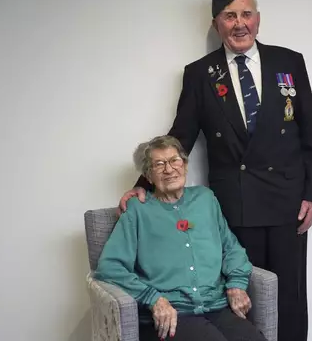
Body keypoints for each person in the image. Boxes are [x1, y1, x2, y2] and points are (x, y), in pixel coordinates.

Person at [118, 0, 312, 341]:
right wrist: (143, 183)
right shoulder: (200, 73)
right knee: (242, 296)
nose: (239, 23)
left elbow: (309, 133)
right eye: (230, 16)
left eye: (246, 14)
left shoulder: (288, 62)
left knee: (288, 295)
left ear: (258, 20)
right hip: (237, 203)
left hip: (287, 200)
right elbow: (181, 134)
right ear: (217, 24)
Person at [95, 135, 266, 341]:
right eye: (159, 164)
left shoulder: (205, 199)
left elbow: (231, 248)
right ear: (148, 176)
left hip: (217, 306)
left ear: (184, 165)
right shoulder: (137, 210)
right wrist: (154, 299)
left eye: (174, 160)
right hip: (173, 313)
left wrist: (237, 283)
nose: (169, 169)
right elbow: (109, 267)